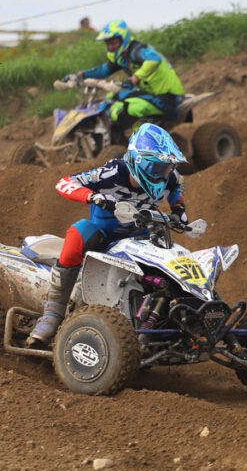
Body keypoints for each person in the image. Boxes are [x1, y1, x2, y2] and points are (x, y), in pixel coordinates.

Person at [27, 123, 189, 346]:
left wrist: (178, 209)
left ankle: (166, 320)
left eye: (167, 167)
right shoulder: (114, 172)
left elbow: (177, 186)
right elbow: (64, 183)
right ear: (138, 161)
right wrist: (92, 197)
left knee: (167, 259)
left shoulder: (171, 177)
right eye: (157, 167)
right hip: (104, 235)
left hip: (141, 238)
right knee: (79, 231)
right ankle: (52, 314)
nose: (163, 173)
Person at [66, 20, 185, 135]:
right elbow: (103, 70)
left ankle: (136, 140)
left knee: (121, 110)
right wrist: (81, 74)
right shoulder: (123, 56)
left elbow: (154, 59)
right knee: (109, 99)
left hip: (167, 98)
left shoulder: (137, 50)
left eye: (113, 43)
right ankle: (115, 135)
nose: (111, 47)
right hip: (148, 93)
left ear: (124, 39)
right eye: (108, 44)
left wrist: (135, 78)